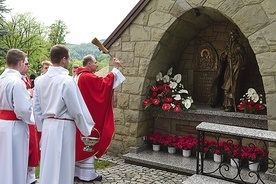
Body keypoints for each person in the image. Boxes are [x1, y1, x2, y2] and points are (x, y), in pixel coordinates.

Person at [33, 44, 95, 184]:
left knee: (48, 164)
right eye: (68, 58)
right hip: (64, 126)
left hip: (48, 125)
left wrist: (42, 128)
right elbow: (76, 109)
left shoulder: (39, 80)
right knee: (63, 165)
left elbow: (36, 108)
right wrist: (87, 129)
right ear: (63, 60)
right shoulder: (67, 81)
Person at [74, 55, 125, 182]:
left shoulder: (77, 76)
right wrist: (115, 69)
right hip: (88, 116)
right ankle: (87, 174)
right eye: (95, 63)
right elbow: (103, 85)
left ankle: (76, 171)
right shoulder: (87, 76)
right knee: (88, 141)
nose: (97, 65)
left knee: (78, 144)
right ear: (89, 64)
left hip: (79, 116)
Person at [0, 49, 34, 183]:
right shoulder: (17, 82)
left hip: (2, 124)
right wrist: (31, 118)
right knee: (16, 161)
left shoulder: (1, 79)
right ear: (20, 62)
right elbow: (23, 110)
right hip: (15, 127)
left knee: (4, 160)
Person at [20, 58, 40, 184]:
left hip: (30, 117)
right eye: (26, 63)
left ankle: (31, 176)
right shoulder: (16, 81)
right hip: (23, 118)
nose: (29, 66)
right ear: (20, 63)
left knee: (32, 146)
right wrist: (29, 93)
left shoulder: (26, 78)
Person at [220, 29, 247, 112]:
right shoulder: (228, 46)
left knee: (231, 87)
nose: (231, 37)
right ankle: (225, 104)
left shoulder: (239, 47)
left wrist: (235, 58)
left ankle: (231, 105)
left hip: (235, 70)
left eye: (233, 35)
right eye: (230, 35)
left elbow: (244, 59)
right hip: (228, 69)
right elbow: (223, 56)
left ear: (236, 36)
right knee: (226, 85)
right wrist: (224, 55)